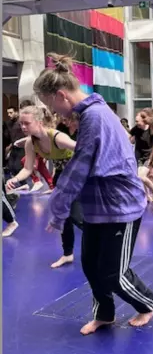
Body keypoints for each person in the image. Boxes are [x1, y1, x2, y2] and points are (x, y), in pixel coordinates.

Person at [33, 53, 153, 335]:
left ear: (61, 95)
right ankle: (104, 313)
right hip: (98, 206)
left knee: (114, 273)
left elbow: (81, 165)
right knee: (91, 264)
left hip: (120, 207)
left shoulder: (94, 116)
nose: (54, 113)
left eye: (50, 105)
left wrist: (59, 206)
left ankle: (148, 302)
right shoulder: (90, 113)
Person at [6, 106, 82, 269]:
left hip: (77, 175)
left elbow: (83, 149)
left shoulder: (57, 137)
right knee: (64, 217)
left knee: (77, 217)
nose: (23, 127)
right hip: (61, 176)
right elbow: (27, 168)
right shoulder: (31, 142)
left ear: (39, 122)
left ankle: (101, 249)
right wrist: (15, 179)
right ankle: (67, 254)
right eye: (21, 124)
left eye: (27, 123)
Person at [129, 113, 153, 203]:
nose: (136, 123)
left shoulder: (151, 129)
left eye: (138, 121)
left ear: (144, 121)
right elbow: (129, 137)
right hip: (139, 155)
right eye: (136, 121)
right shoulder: (136, 128)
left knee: (141, 176)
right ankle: (147, 195)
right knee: (140, 176)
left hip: (148, 155)